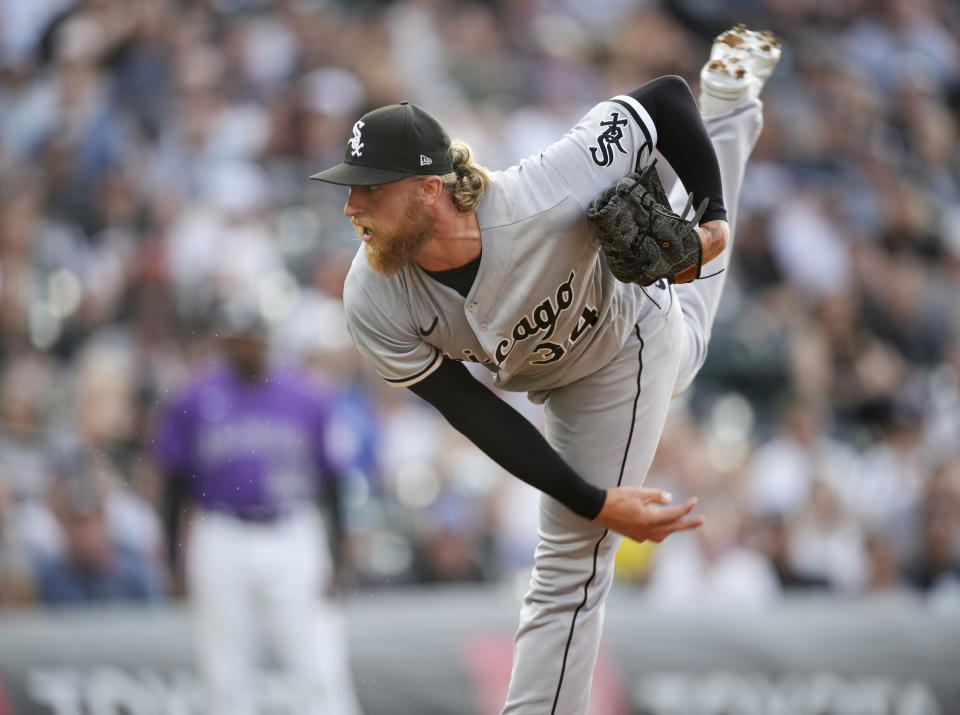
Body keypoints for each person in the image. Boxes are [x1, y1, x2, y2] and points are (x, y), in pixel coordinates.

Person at [310, 24, 778, 715]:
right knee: (688, 350)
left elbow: (665, 101)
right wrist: (592, 495)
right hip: (557, 380)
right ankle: (734, 107)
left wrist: (711, 212)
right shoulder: (373, 295)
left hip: (624, 339)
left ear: (428, 187)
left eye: (370, 190)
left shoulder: (545, 189)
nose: (351, 207)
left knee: (570, 562)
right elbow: (474, 410)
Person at [152, 300, 363, 715]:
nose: (246, 346)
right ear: (225, 341)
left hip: (293, 530)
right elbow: (173, 483)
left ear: (268, 338)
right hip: (220, 532)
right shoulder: (195, 395)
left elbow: (331, 481)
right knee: (224, 672)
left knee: (318, 665)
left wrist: (337, 553)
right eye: (237, 337)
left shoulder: (306, 393)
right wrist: (173, 557)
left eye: (253, 336)